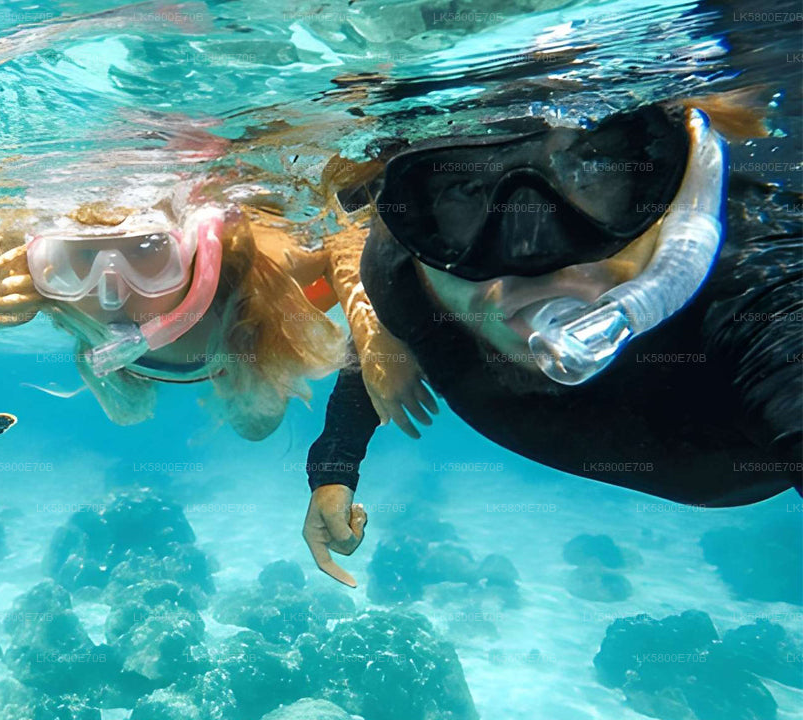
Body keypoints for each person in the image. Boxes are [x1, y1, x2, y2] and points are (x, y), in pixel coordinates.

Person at [301, 100, 803, 586]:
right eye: (461, 192)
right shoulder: (407, 275)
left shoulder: (762, 297)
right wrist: (334, 470)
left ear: (677, 190)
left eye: (592, 170)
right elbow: (394, 333)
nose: (530, 254)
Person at [0, 182, 437, 441]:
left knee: (257, 427)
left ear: (191, 252)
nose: (112, 292)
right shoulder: (42, 283)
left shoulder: (242, 270)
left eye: (147, 252)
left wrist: (376, 339)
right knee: (131, 411)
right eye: (80, 261)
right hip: (128, 368)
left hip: (248, 341)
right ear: (49, 259)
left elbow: (345, 242)